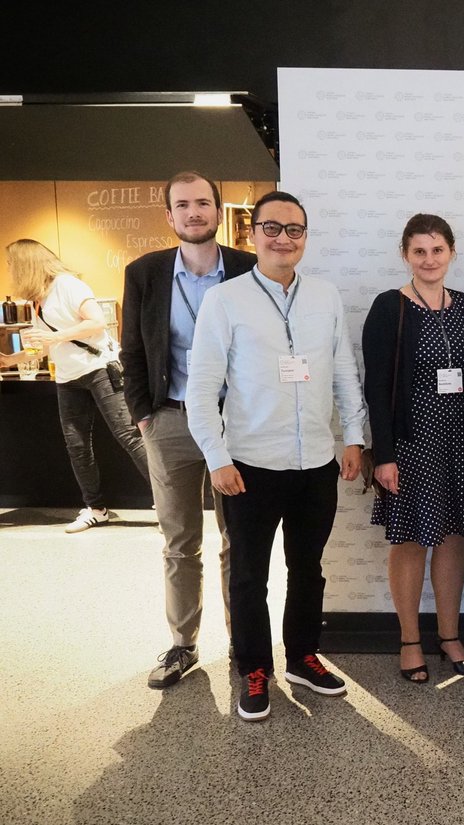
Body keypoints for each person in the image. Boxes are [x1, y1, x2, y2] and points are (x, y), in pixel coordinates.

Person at [186, 191, 366, 722]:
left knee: (308, 569)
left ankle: (303, 657)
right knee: (248, 574)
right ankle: (255, 669)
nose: (283, 238)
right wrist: (217, 457)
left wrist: (352, 436)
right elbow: (201, 389)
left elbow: (342, 372)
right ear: (251, 233)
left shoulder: (326, 296)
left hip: (315, 462)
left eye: (295, 230)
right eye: (272, 227)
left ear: (305, 237)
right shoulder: (226, 301)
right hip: (248, 466)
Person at [121, 171, 258, 690]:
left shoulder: (247, 269)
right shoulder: (145, 274)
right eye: (184, 205)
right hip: (171, 420)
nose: (194, 212)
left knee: (238, 539)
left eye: (204, 203)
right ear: (169, 215)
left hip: (236, 423)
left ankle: (243, 645)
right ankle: (183, 645)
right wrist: (144, 414)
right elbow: (133, 350)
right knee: (180, 542)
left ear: (218, 211)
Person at [362, 214, 464, 683]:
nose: (429, 260)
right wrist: (384, 455)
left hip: (460, 439)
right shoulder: (389, 308)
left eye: (437, 250)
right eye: (419, 251)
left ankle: (450, 636)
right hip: (412, 443)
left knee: (453, 539)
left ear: (452, 252)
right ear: (405, 255)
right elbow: (377, 387)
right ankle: (410, 640)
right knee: (410, 540)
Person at [6, 239, 150, 532]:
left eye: (12, 264)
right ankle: (95, 508)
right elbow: (44, 346)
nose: (10, 269)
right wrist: (12, 360)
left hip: (99, 368)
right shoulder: (39, 299)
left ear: (26, 263)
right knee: (77, 445)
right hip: (68, 378)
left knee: (128, 436)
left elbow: (96, 323)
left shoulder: (68, 285)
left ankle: (170, 500)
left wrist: (54, 339)